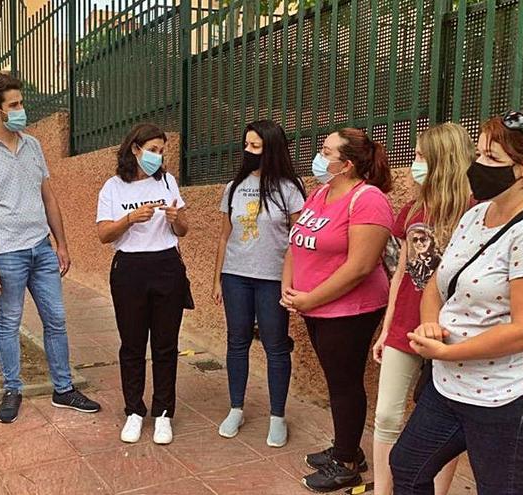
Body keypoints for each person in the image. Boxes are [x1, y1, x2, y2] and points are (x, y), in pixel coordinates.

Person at [391, 111, 523, 494]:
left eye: (492, 159)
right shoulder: (476, 214)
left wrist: (445, 351)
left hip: (510, 395)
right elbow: (440, 283)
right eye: (478, 154)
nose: (478, 166)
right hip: (451, 386)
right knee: (407, 467)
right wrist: (430, 325)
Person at [0, 73, 100, 424]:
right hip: (6, 253)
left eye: (21, 102)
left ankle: (64, 388)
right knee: (8, 321)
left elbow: (48, 196)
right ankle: (12, 389)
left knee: (56, 318)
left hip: (41, 248)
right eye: (15, 105)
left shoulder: (33, 145)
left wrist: (61, 243)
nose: (22, 110)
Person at [281, 128, 395, 492]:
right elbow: (297, 240)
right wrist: (290, 285)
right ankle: (346, 447)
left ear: (346, 164)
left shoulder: (368, 199)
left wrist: (311, 299)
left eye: (325, 151)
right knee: (336, 380)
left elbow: (361, 266)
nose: (318, 155)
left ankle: (346, 462)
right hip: (313, 305)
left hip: (349, 309)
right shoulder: (320, 193)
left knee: (344, 384)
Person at [370, 123, 474, 495]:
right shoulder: (412, 208)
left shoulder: (476, 211)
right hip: (404, 326)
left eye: (419, 156)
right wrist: (386, 328)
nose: (414, 164)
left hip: (453, 333)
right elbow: (400, 273)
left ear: (442, 159)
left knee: (442, 426)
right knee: (386, 415)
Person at [212, 120, 305, 447]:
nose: (248, 151)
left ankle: (277, 416)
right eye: (246, 145)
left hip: (273, 280)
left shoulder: (290, 189)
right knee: (236, 341)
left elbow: (299, 242)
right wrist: (216, 279)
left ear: (272, 148)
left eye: (256, 146)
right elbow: (224, 237)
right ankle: (236, 407)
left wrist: (292, 283)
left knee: (275, 346)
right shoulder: (233, 188)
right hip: (235, 276)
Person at [96, 123, 189, 445]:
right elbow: (104, 234)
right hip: (129, 269)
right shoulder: (113, 187)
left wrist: (178, 220)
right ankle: (134, 411)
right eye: (152, 150)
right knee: (132, 344)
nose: (157, 156)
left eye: (162, 151)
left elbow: (183, 231)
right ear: (135, 149)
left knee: (165, 345)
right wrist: (129, 219)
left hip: (166, 266)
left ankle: (163, 413)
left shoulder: (167, 181)